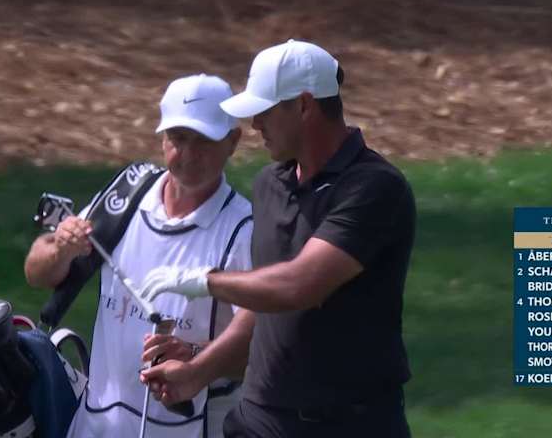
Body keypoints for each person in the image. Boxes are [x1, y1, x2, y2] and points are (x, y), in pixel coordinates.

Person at [139, 40, 416, 437]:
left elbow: (300, 286)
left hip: (348, 424)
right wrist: (198, 370)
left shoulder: (373, 188)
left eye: (264, 111)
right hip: (259, 420)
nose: (255, 125)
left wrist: (205, 281)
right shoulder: (271, 184)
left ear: (304, 105)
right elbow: (263, 300)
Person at [24, 73, 255, 438]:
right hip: (96, 423)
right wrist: (59, 249)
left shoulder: (243, 229)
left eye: (204, 141)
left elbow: (264, 347)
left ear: (233, 141)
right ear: (163, 140)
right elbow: (37, 273)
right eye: (179, 139)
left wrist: (195, 356)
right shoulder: (129, 193)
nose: (190, 155)